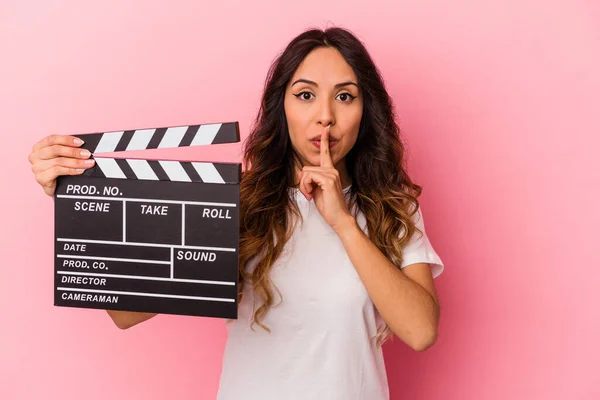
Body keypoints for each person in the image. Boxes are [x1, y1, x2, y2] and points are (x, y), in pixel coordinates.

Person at [28, 27, 444, 400]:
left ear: (364, 110)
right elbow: (127, 313)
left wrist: (342, 222)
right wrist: (75, 200)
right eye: (305, 95)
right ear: (281, 108)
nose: (325, 116)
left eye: (344, 96)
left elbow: (421, 330)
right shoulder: (239, 202)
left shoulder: (394, 206)